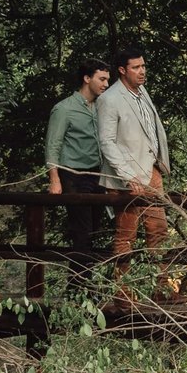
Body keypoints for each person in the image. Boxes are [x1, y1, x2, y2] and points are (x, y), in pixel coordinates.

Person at [96, 46, 173, 276]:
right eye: (136, 67)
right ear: (122, 70)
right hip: (126, 178)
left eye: (143, 66)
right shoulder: (109, 99)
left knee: (158, 230)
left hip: (151, 170)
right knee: (125, 235)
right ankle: (123, 296)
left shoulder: (142, 91)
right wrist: (127, 175)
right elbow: (106, 141)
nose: (142, 71)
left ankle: (162, 289)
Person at [46, 58, 110, 260]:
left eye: (107, 80)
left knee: (94, 232)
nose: (106, 84)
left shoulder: (102, 107)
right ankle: (77, 287)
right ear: (86, 78)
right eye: (101, 79)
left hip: (96, 174)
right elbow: (52, 144)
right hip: (72, 174)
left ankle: (87, 289)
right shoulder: (64, 109)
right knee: (81, 232)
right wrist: (54, 179)